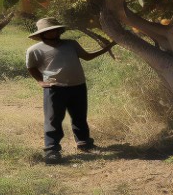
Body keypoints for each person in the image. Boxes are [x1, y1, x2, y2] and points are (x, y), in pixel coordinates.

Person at [25, 17, 115, 164]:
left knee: (79, 116)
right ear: (42, 33)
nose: (52, 32)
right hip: (54, 87)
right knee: (53, 118)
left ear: (60, 30)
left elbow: (87, 57)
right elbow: (31, 67)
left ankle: (84, 143)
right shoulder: (34, 50)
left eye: (55, 30)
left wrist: (108, 47)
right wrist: (41, 81)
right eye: (48, 31)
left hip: (77, 85)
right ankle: (52, 150)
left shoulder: (71, 44)